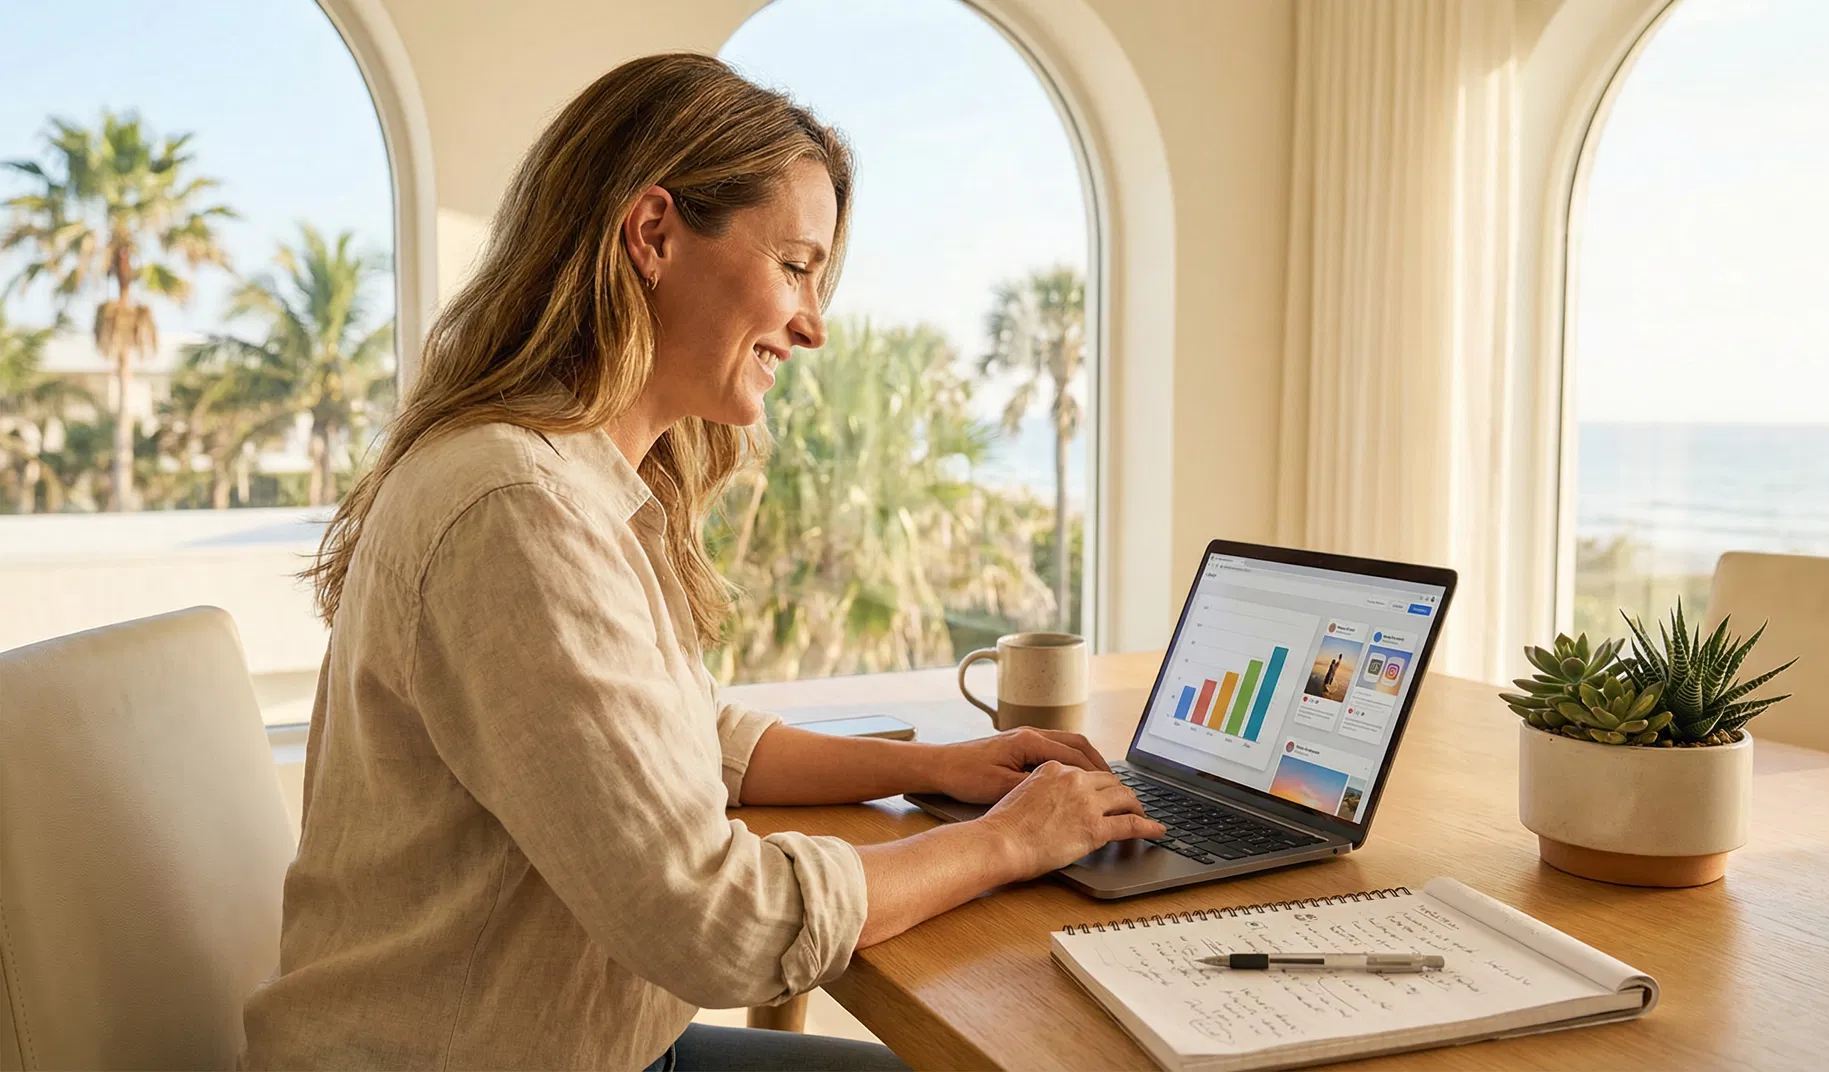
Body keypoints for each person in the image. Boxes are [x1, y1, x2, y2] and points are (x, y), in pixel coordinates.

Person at [238, 53, 1162, 1071]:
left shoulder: (573, 479)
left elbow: (685, 731)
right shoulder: (517, 509)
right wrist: (1006, 843)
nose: (812, 324)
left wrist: (935, 768)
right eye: (798, 265)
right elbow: (720, 924)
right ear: (654, 234)